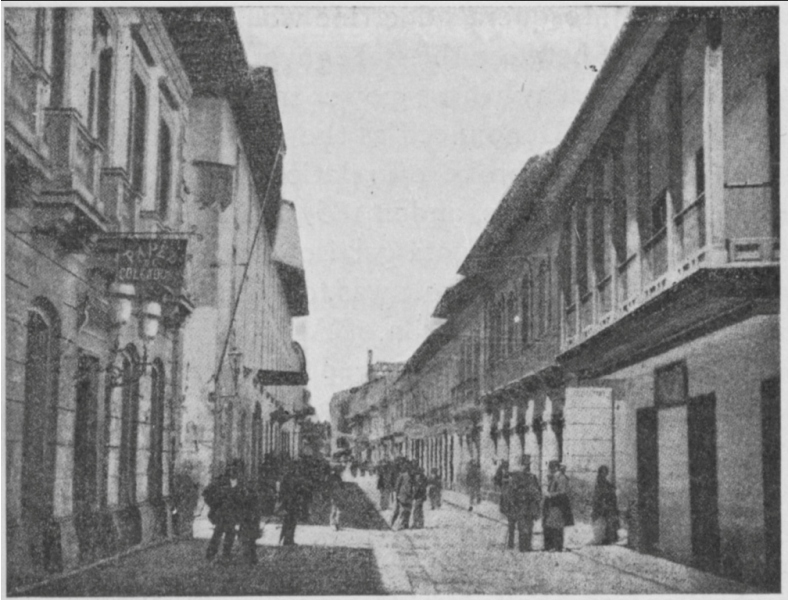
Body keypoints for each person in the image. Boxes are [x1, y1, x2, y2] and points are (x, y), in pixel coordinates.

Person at [203, 461, 245, 562]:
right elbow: (206, 494)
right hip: (221, 513)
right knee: (218, 533)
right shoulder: (219, 482)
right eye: (232, 469)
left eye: (237, 470)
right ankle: (210, 554)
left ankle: (226, 554)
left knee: (230, 534)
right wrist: (214, 506)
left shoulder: (241, 484)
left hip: (233, 514)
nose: (234, 472)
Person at [501, 456, 542, 552]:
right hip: (521, 505)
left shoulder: (532, 477)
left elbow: (537, 491)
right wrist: (512, 503)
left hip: (529, 506)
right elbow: (512, 491)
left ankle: (527, 546)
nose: (527, 467)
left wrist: (536, 502)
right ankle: (523, 546)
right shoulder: (517, 477)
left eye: (528, 465)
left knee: (529, 526)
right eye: (525, 465)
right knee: (523, 526)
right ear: (522, 465)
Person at [543, 460, 574, 552]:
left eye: (550, 467)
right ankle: (554, 546)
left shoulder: (561, 478)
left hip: (558, 505)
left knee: (556, 525)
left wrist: (550, 494)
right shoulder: (554, 477)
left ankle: (557, 546)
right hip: (553, 504)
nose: (549, 469)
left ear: (555, 468)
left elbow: (562, 492)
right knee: (553, 524)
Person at [591, 465, 619, 545]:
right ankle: (606, 537)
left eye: (606, 472)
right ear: (600, 472)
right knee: (604, 521)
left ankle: (608, 537)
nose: (605, 474)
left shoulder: (603, 480)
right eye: (603, 472)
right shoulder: (599, 481)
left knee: (608, 520)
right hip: (602, 504)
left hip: (605, 503)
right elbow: (601, 492)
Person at [393, 461, 414, 530]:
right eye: (410, 469)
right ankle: (399, 524)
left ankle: (406, 524)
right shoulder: (402, 475)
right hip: (403, 495)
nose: (411, 470)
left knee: (408, 510)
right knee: (402, 510)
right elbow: (397, 485)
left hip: (409, 495)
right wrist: (397, 495)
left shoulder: (413, 476)